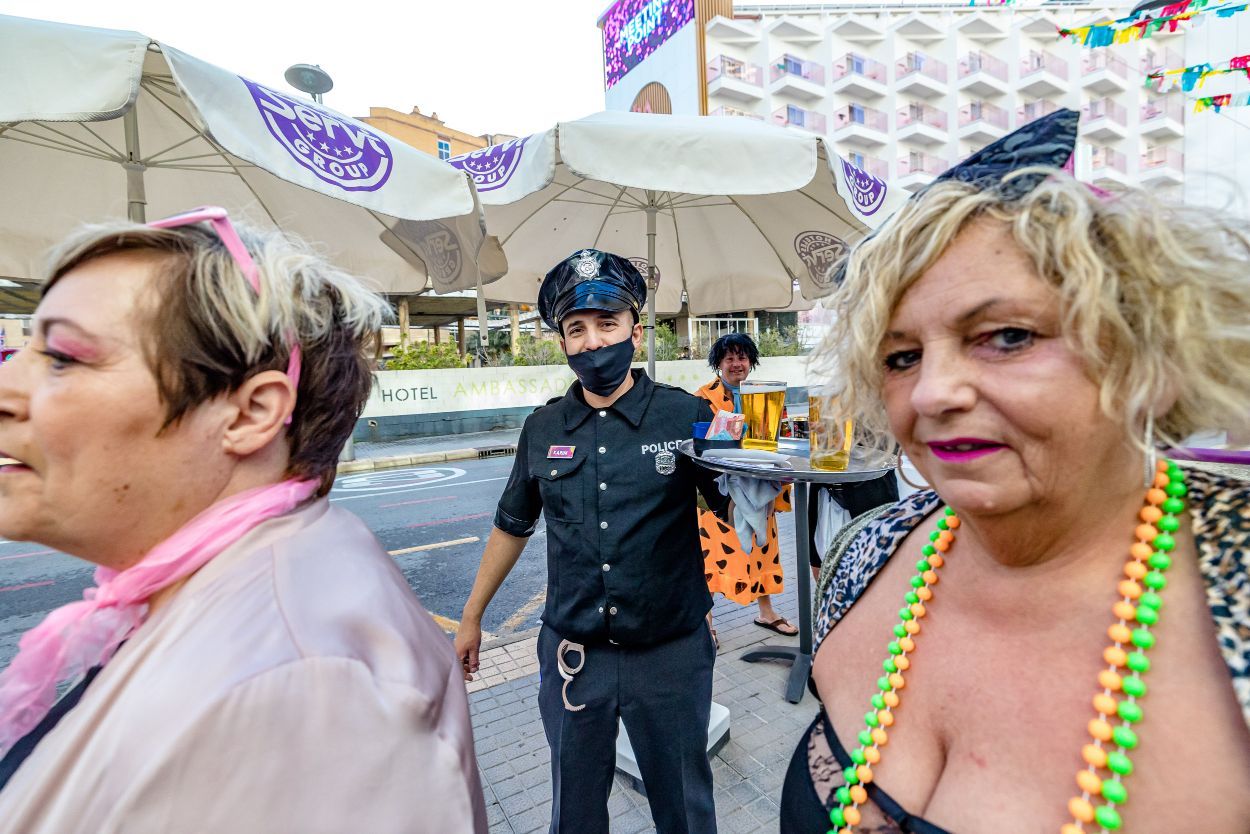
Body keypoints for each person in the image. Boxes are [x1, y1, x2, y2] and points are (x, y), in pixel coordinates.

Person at [780, 109, 1250, 833]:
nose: (934, 394)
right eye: (901, 357)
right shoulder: (868, 552)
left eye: (1006, 336)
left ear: (1147, 356)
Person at [0, 208, 487, 833]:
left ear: (251, 413)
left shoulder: (302, 690)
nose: (9, 385)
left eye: (64, 357)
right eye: (23, 349)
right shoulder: (254, 601)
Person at [455, 248, 728, 834]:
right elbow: (512, 524)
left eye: (607, 323)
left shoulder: (688, 416)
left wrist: (764, 467)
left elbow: (739, 502)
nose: (593, 341)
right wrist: (472, 617)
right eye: (575, 329)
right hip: (574, 658)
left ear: (635, 327)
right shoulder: (543, 426)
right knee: (574, 813)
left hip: (671, 655)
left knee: (685, 809)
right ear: (561, 342)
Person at [695, 332, 797, 638]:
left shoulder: (767, 395)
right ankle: (706, 621)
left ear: (750, 362)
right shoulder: (702, 399)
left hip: (760, 488)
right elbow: (700, 445)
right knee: (712, 554)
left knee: (762, 549)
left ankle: (766, 613)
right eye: (729, 358)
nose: (736, 364)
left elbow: (782, 438)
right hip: (718, 492)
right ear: (719, 364)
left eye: (742, 357)